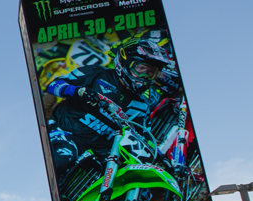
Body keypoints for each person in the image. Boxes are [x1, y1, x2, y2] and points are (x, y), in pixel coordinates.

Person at [45, 40, 172, 183]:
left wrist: (160, 156)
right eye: (141, 68)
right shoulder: (97, 74)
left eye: (151, 73)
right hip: (68, 132)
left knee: (127, 181)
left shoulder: (142, 105)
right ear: (124, 62)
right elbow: (53, 85)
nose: (145, 77)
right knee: (62, 160)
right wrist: (78, 91)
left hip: (102, 151)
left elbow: (144, 137)